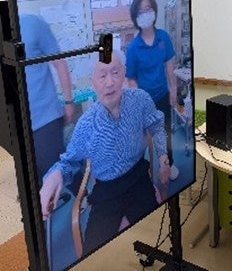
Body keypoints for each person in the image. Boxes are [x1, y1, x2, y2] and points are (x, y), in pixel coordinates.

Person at [39, 51, 170, 255]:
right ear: (93, 83)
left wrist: (163, 157)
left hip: (138, 178)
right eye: (102, 76)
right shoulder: (86, 124)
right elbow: (68, 162)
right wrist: (55, 176)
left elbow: (157, 126)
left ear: (124, 74)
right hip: (106, 191)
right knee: (95, 255)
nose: (110, 82)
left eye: (115, 72)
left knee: (156, 237)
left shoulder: (140, 99)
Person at [126, 0, 179, 180]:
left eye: (148, 9)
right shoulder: (133, 47)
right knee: (142, 139)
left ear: (154, 11)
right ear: (135, 16)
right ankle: (143, 171)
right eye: (140, 11)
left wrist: (173, 89)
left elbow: (169, 63)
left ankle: (169, 164)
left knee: (165, 133)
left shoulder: (163, 37)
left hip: (162, 95)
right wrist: (137, 100)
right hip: (143, 101)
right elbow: (131, 78)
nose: (145, 13)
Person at [20, 13, 74, 184]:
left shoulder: (31, 23)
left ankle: (84, 197)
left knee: (59, 173)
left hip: (45, 119)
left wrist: (68, 102)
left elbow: (59, 62)